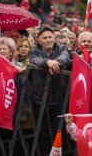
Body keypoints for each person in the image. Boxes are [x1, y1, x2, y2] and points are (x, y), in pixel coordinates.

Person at [30, 27, 70, 155]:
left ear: (54, 38)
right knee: (42, 132)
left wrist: (56, 62)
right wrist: (47, 62)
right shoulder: (34, 51)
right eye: (45, 38)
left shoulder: (60, 49)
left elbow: (65, 57)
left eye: (50, 37)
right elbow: (34, 60)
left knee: (58, 131)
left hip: (58, 98)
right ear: (39, 40)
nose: (48, 40)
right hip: (39, 98)